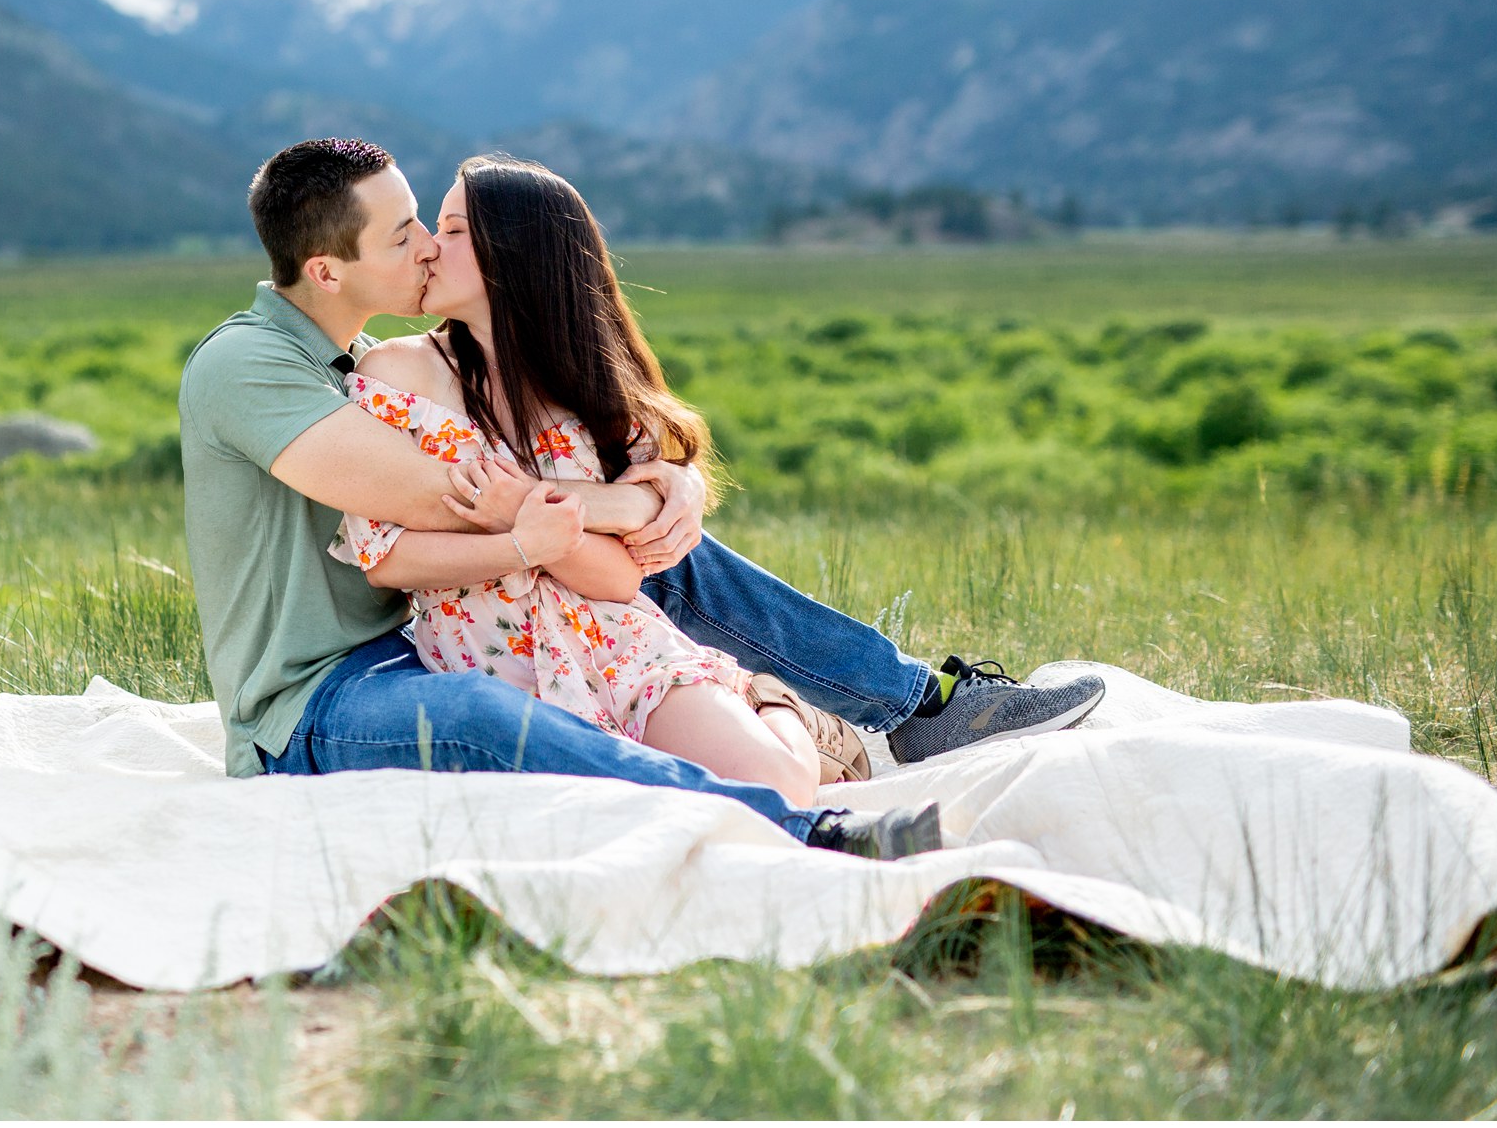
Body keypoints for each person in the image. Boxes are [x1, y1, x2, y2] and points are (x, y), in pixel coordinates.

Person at [177, 139, 1103, 859]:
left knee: (667, 555)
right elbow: (455, 495)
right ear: (329, 270)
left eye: (431, 222)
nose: (424, 245)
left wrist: (666, 488)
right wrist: (632, 501)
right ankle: (791, 827)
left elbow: (521, 498)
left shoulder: (359, 360)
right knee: (481, 714)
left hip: (415, 642)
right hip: (315, 697)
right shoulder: (248, 364)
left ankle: (911, 701)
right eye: (404, 233)